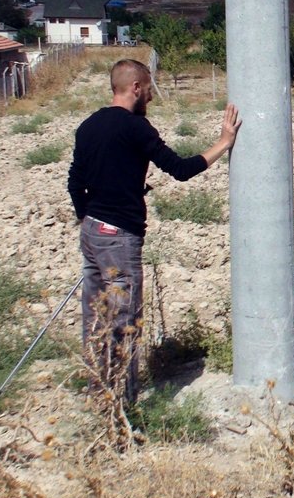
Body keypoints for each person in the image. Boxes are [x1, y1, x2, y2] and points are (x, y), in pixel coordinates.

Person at [67, 59, 241, 402]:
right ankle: (121, 404)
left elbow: (76, 181)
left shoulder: (88, 126)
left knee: (95, 318)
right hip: (118, 238)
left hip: (91, 233)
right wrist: (224, 141)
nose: (151, 95)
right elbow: (180, 169)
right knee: (122, 319)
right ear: (135, 88)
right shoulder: (136, 128)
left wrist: (90, 216)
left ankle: (97, 389)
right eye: (148, 88)